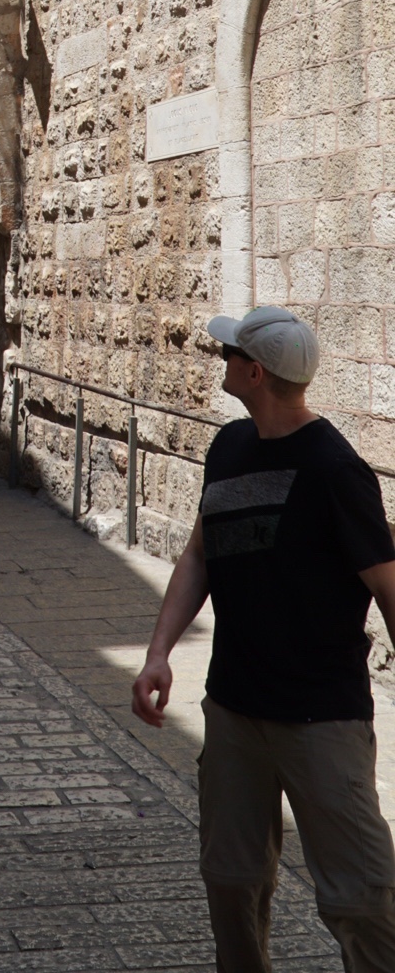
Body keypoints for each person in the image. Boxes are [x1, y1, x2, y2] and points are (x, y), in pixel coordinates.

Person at [131, 306, 395, 972]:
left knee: (361, 893)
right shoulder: (229, 447)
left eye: (228, 357)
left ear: (254, 371)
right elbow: (199, 555)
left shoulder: (336, 470)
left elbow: (389, 588)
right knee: (231, 879)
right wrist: (159, 651)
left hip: (322, 718)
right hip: (234, 710)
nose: (218, 363)